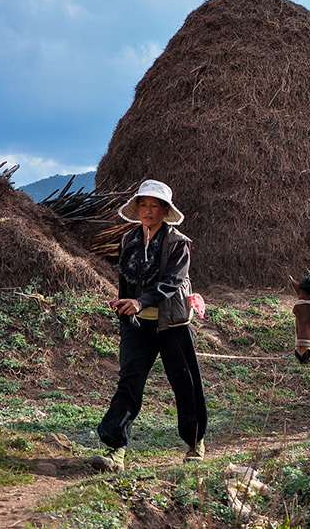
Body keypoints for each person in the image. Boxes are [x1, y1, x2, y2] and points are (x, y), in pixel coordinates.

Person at [90, 179, 207, 472]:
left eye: (155, 205)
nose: (148, 210)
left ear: (165, 210)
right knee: (129, 382)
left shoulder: (178, 244)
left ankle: (195, 442)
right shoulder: (129, 240)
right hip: (137, 326)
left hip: (172, 325)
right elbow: (125, 281)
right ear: (137, 208)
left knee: (185, 383)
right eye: (143, 204)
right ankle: (116, 449)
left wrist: (142, 302)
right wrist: (124, 304)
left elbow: (172, 282)